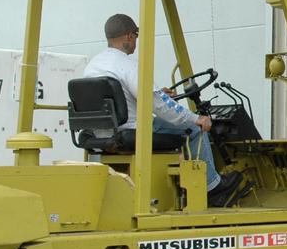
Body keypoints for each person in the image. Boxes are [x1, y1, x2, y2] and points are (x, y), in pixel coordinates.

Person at [84, 13, 245, 207]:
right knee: (193, 130)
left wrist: (158, 93)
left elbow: (125, 96)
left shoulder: (94, 66)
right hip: (132, 129)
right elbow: (159, 106)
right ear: (129, 36)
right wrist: (195, 118)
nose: (135, 41)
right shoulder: (127, 65)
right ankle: (212, 187)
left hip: (103, 132)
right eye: (135, 35)